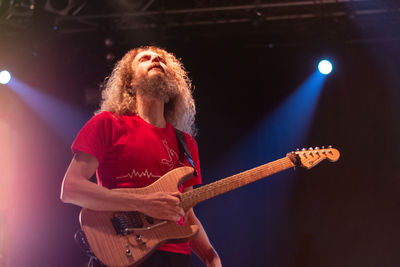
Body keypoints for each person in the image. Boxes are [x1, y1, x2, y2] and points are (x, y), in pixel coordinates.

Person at [60, 46, 221, 267]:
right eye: (145, 58)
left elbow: (187, 213)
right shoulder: (107, 123)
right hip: (122, 251)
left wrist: (210, 256)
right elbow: (71, 189)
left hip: (175, 256)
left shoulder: (186, 144)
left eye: (162, 59)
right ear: (130, 83)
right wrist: (143, 203)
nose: (156, 59)